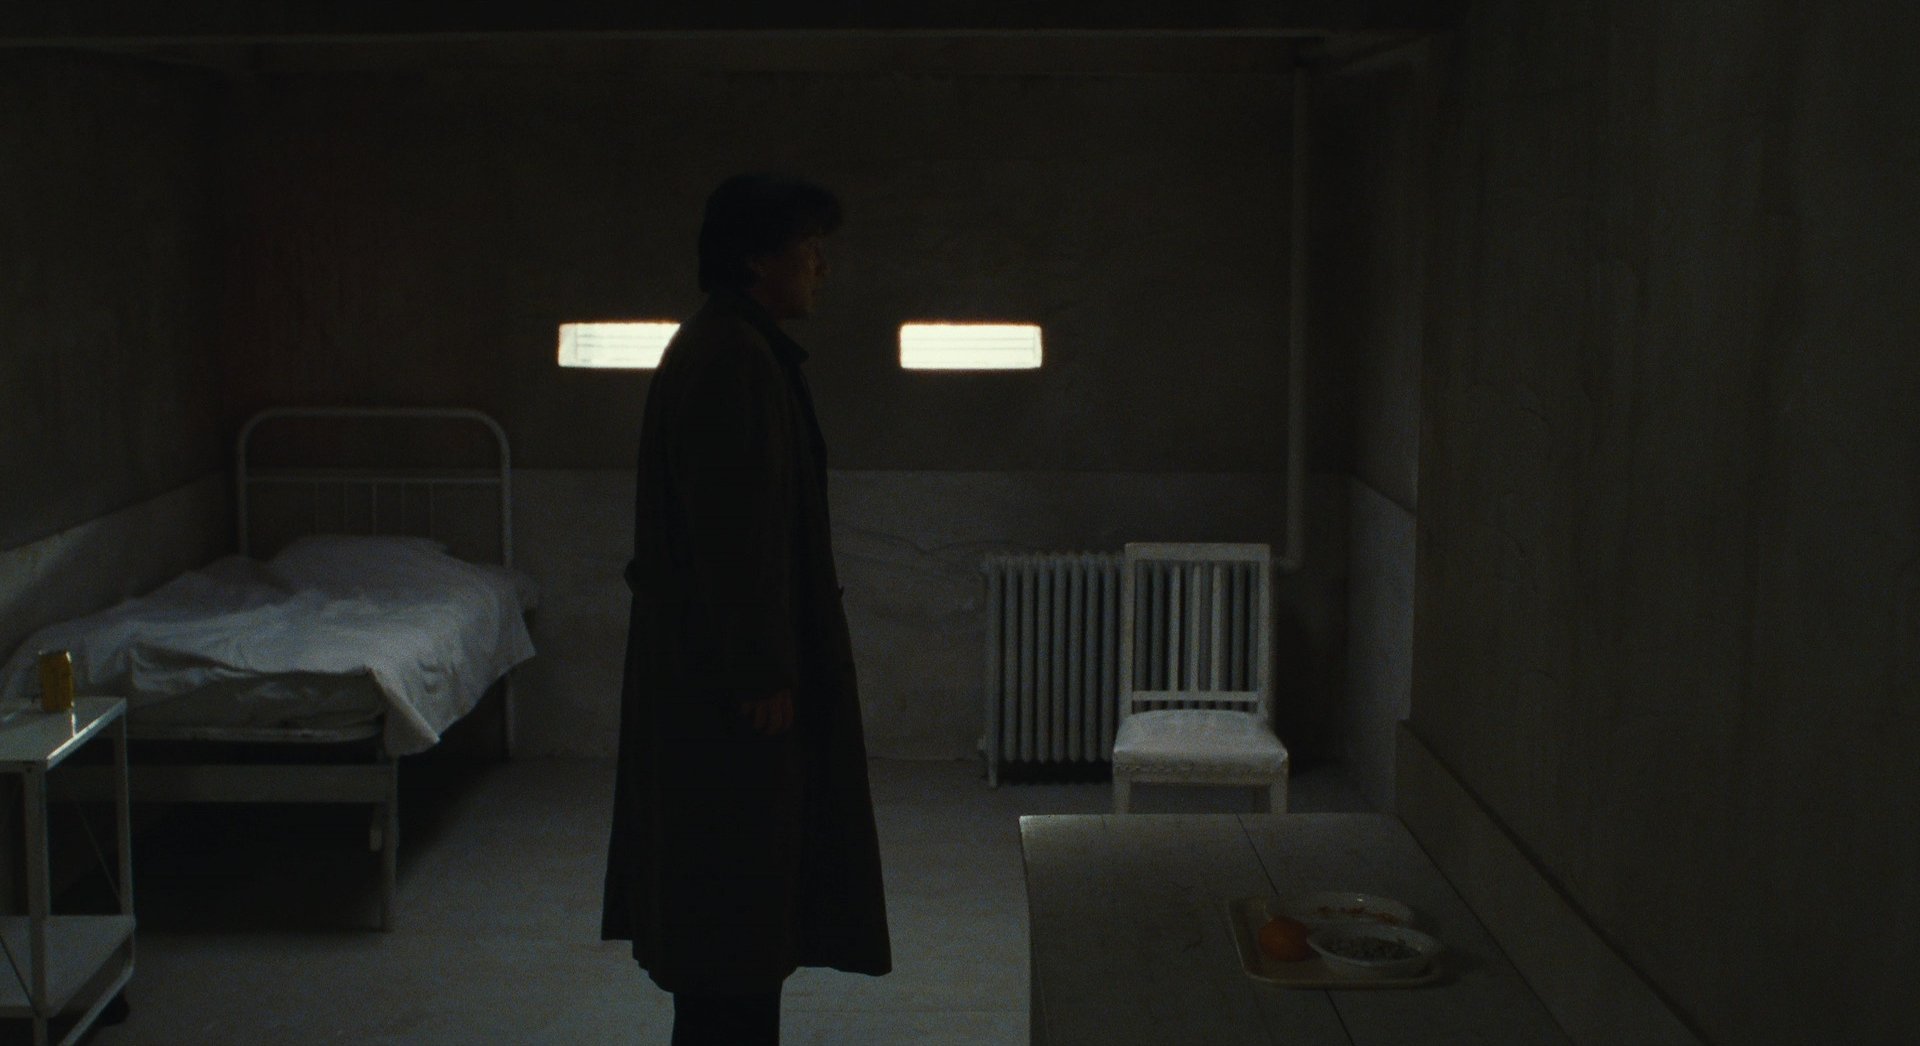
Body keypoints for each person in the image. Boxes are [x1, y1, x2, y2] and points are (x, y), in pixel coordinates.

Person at [602, 173, 892, 1046]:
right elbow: (735, 531)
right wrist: (763, 668)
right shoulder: (733, 358)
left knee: (733, 920)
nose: (821, 267)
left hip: (713, 680)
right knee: (735, 908)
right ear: (759, 258)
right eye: (809, 247)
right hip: (726, 694)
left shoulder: (732, 347)